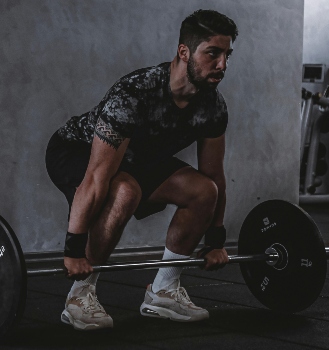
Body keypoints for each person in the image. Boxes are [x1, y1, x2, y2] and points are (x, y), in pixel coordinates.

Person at [44, 9, 238, 331]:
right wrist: (73, 251)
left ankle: (164, 291)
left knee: (204, 191)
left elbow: (214, 175)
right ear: (184, 52)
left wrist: (216, 239)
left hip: (137, 158)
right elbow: (96, 177)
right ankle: (80, 295)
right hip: (74, 150)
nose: (222, 65)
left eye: (227, 55)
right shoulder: (135, 92)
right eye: (213, 53)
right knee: (124, 191)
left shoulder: (212, 105)